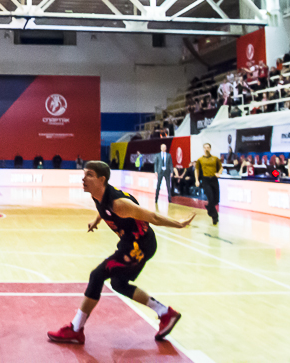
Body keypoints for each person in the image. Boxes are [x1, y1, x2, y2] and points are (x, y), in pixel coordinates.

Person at [47, 161, 195, 345]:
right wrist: (96, 221)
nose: (83, 179)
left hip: (140, 246)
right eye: (84, 174)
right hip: (129, 242)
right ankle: (165, 313)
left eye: (89, 175)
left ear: (102, 180)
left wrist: (179, 224)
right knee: (118, 283)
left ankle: (76, 329)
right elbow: (103, 209)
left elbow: (153, 217)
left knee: (97, 275)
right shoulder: (98, 195)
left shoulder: (119, 204)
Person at [195, 143, 223, 225]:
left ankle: (209, 207)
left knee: (216, 200)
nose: (206, 149)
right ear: (203, 149)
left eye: (208, 147)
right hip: (206, 180)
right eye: (205, 147)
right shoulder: (200, 160)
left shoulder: (215, 158)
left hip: (214, 179)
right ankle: (215, 216)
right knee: (210, 197)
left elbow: (221, 167)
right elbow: (196, 170)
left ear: (210, 148)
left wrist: (219, 173)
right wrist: (197, 180)